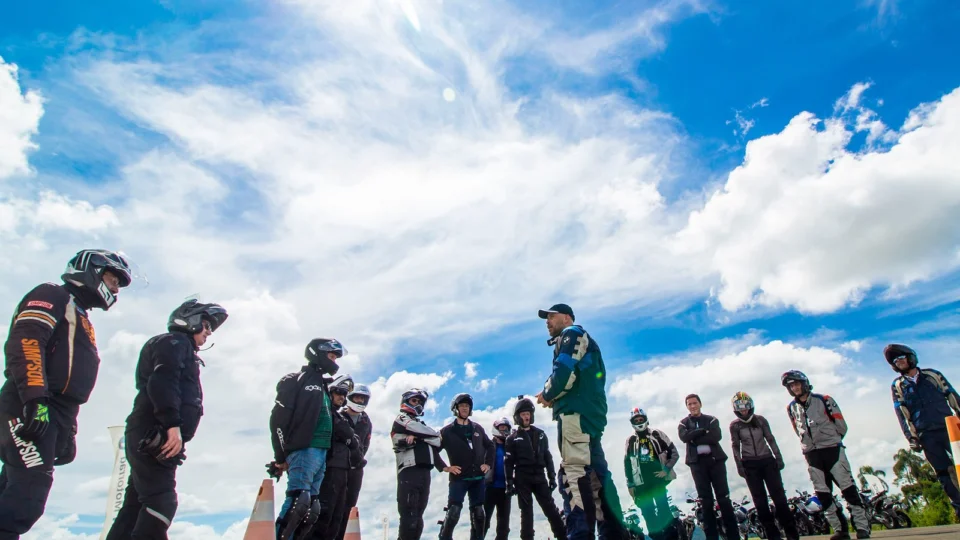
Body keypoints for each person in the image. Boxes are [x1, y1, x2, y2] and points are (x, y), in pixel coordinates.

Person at [0, 249, 134, 537]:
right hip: (29, 400)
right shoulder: (53, 294)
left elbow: (72, 378)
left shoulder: (82, 314)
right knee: (29, 495)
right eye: (113, 279)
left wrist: (68, 428)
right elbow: (26, 341)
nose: (115, 288)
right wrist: (35, 400)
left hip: (56, 409)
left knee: (12, 487)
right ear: (92, 271)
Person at [105, 299, 228, 539]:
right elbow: (163, 380)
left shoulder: (177, 346)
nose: (209, 333)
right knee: (161, 502)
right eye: (206, 325)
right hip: (155, 432)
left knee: (135, 505)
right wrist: (172, 425)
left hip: (151, 432)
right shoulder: (175, 342)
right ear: (191, 321)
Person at [536, 303, 626, 540]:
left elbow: (564, 371)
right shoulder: (580, 338)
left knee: (573, 477)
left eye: (551, 316)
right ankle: (615, 534)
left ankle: (580, 535)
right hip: (589, 418)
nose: (547, 321)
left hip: (575, 417)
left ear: (566, 318)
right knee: (598, 479)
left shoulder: (572, 333)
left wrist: (547, 394)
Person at [270, 338, 346, 540]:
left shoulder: (323, 386)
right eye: (331, 355)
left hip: (321, 452)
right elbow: (278, 419)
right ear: (318, 353)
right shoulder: (295, 380)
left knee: (311, 508)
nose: (334, 360)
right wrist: (280, 455)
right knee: (298, 501)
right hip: (304, 449)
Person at [782, 370, 870, 540]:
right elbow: (796, 429)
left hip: (833, 450)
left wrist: (833, 440)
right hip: (812, 454)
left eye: (797, 384)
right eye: (791, 386)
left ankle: (862, 527)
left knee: (849, 490)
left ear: (805, 383)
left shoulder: (824, 399)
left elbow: (841, 425)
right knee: (823, 494)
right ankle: (840, 529)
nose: (795, 388)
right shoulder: (791, 407)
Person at [885, 344, 960, 520]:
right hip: (925, 433)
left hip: (948, 427)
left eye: (902, 358)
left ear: (911, 357)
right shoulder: (898, 385)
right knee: (943, 472)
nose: (900, 362)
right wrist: (911, 437)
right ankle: (958, 507)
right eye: (896, 361)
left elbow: (952, 396)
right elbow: (902, 414)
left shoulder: (933, 375)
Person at [728, 392, 798, 540]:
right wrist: (740, 466)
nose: (744, 410)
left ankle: (792, 533)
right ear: (735, 409)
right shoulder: (735, 425)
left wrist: (778, 457)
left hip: (767, 461)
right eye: (740, 408)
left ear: (751, 406)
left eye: (746, 407)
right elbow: (735, 446)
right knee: (760, 501)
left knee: (779, 498)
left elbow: (770, 438)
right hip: (750, 465)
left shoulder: (760, 420)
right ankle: (772, 535)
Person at [677, 394, 738, 540]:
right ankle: (712, 537)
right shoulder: (683, 423)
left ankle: (734, 536)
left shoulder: (711, 419)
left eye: (695, 403)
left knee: (723, 499)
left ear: (700, 404)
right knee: (705, 501)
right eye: (689, 404)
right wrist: (702, 431)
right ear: (687, 406)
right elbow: (684, 437)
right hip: (697, 464)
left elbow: (715, 436)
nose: (693, 406)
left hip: (716, 462)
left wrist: (694, 437)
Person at [435, 393, 494, 540]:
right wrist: (445, 467)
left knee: (479, 513)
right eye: (462, 406)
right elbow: (433, 451)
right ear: (455, 408)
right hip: (459, 478)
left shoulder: (477, 428)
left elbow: (490, 446)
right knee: (454, 511)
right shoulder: (447, 431)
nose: (465, 408)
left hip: (478, 478)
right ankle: (444, 537)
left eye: (467, 406)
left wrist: (488, 464)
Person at [506, 397, 566, 540]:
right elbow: (508, 462)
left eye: (528, 414)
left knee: (550, 509)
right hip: (522, 477)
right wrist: (509, 483)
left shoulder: (540, 434)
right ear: (517, 417)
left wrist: (551, 477)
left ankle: (563, 537)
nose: (526, 417)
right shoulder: (512, 438)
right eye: (523, 414)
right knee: (526, 513)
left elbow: (547, 456)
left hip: (539, 476)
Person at [311, 375, 363, 540]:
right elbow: (346, 434)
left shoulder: (338, 416)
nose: (342, 397)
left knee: (338, 517)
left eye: (344, 394)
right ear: (330, 392)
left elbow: (353, 440)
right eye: (339, 392)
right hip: (329, 467)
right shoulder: (325, 412)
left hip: (344, 471)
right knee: (322, 515)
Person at [391, 388, 442, 540]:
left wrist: (419, 437)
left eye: (420, 402)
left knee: (419, 517)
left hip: (425, 472)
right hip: (408, 471)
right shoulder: (401, 418)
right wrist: (425, 436)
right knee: (409, 517)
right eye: (414, 400)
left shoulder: (421, 424)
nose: (418, 404)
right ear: (406, 401)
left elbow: (438, 440)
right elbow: (428, 433)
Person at [624, 407, 679, 540]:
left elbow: (674, 453)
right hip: (641, 484)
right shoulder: (630, 440)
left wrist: (666, 470)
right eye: (636, 420)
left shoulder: (657, 434)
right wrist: (630, 484)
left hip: (658, 481)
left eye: (640, 419)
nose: (639, 421)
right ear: (632, 422)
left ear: (646, 420)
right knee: (649, 516)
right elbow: (627, 464)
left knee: (664, 512)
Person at [334, 384, 373, 540]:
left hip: (356, 469)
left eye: (363, 398)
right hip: (337, 467)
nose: (360, 400)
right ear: (350, 397)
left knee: (348, 508)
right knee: (333, 507)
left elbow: (365, 444)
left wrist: (358, 458)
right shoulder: (339, 416)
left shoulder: (366, 421)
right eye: (357, 397)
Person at [482, 417, 512, 540]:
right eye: (501, 428)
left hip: (505, 490)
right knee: (483, 522)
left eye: (506, 428)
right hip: (488, 487)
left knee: (503, 526)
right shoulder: (488, 445)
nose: (504, 430)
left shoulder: (511, 446)